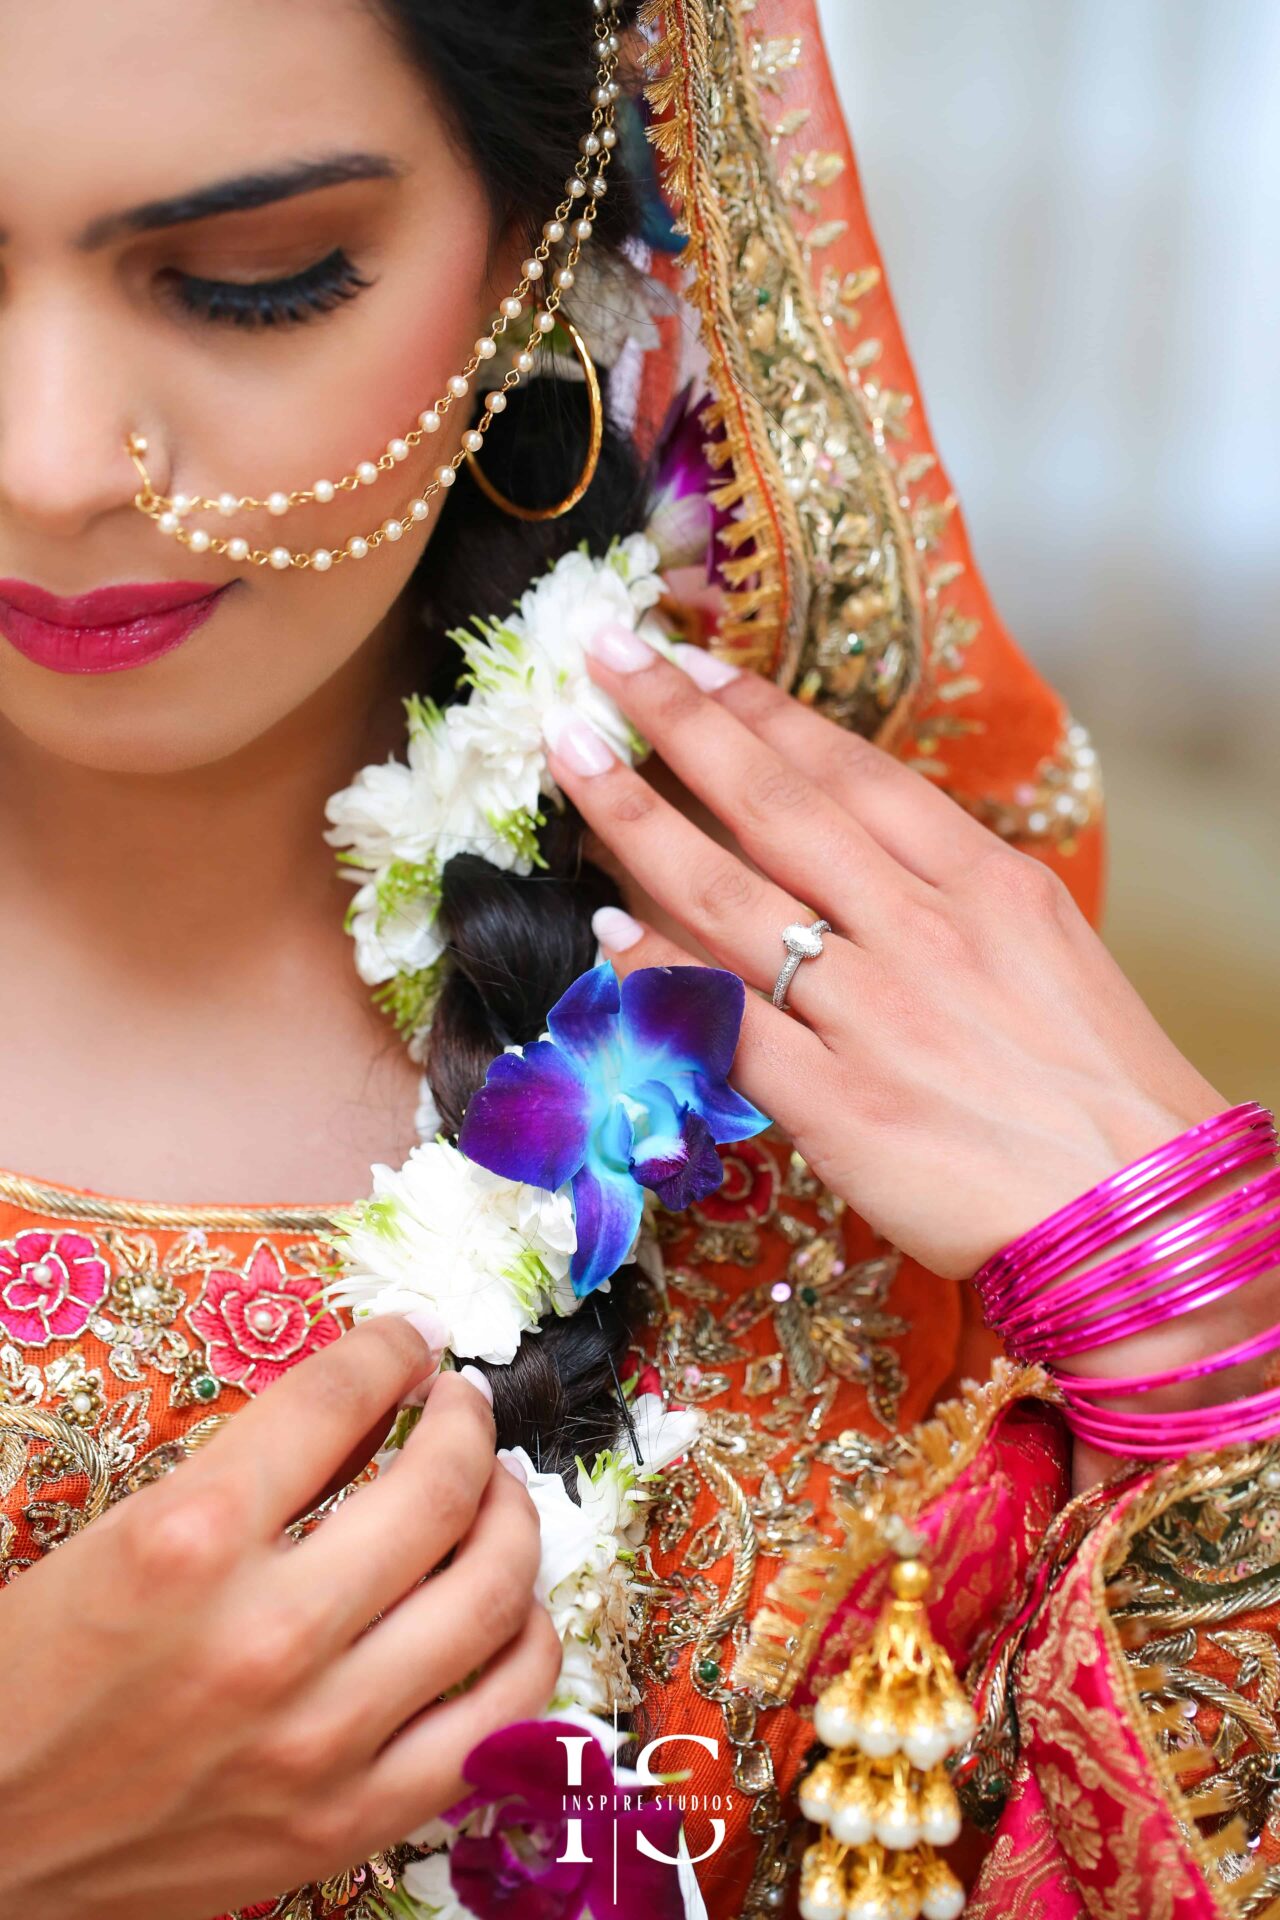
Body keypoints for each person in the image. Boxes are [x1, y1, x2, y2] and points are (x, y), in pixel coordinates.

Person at [0, 3, 1274, 1919]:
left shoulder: (854, 1051)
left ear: (539, 247)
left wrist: (1205, 1341)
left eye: (257, 283)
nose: (50, 463)